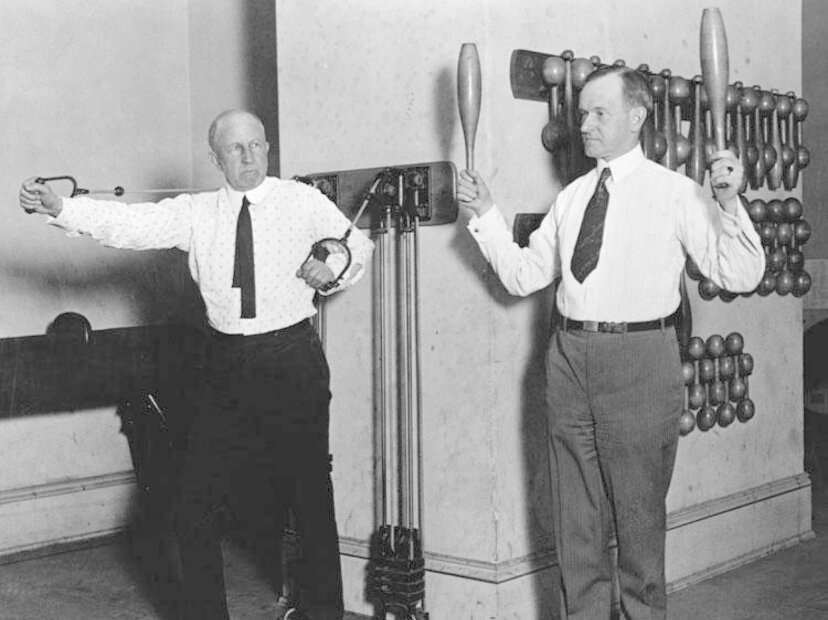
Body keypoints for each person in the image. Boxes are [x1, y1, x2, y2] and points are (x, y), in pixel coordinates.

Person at [19, 108, 373, 620]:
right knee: (193, 502)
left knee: (309, 494)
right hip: (226, 363)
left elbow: (355, 245)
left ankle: (323, 614)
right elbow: (129, 225)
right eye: (235, 148)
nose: (249, 157)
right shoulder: (196, 212)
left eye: (256, 145)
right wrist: (62, 207)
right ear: (215, 158)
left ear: (268, 148)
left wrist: (332, 266)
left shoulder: (301, 200)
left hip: (291, 357)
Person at [457, 66, 764, 620]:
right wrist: (485, 214)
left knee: (639, 523)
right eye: (583, 114)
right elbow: (523, 276)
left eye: (600, 113)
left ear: (637, 117)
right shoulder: (573, 197)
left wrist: (728, 204)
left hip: (640, 360)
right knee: (576, 523)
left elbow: (739, 273)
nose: (586, 125)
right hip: (568, 357)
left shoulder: (677, 192)